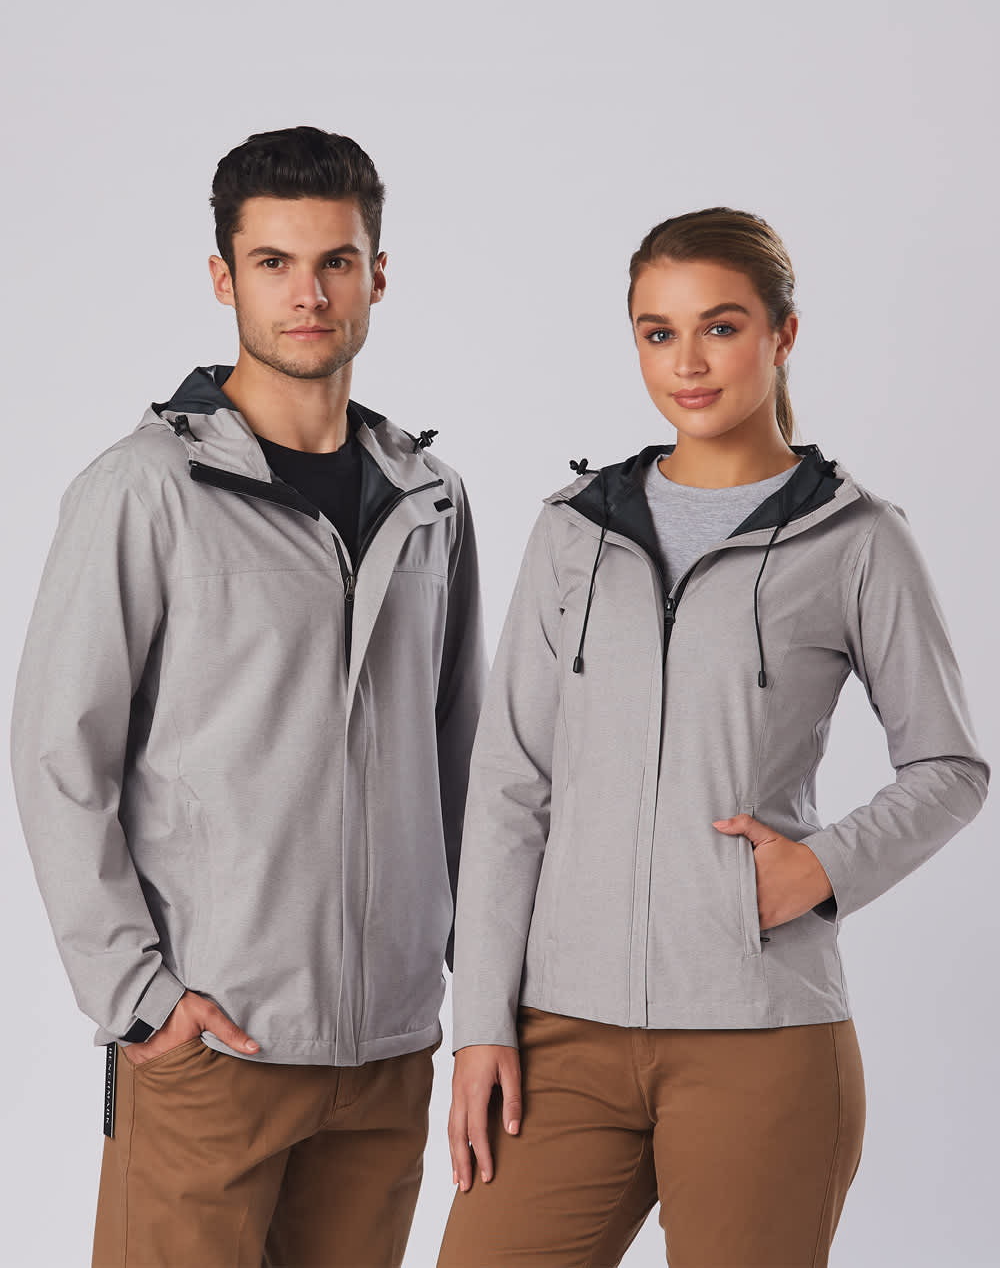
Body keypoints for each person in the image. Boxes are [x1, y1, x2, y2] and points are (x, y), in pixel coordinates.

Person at [438, 207, 989, 1267]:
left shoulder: (857, 538)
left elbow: (949, 766)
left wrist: (822, 868)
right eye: (658, 332)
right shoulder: (574, 530)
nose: (686, 363)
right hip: (559, 1037)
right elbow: (509, 784)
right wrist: (482, 1024)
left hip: (762, 1035)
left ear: (784, 335)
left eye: (720, 327)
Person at [10, 125, 486, 1268]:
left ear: (377, 275)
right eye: (274, 263)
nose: (307, 295)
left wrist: (476, 986)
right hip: (213, 1046)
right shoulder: (144, 492)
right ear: (225, 278)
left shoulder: (431, 499)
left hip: (386, 1053)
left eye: (335, 262)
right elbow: (58, 755)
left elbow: (463, 758)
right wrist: (139, 997)